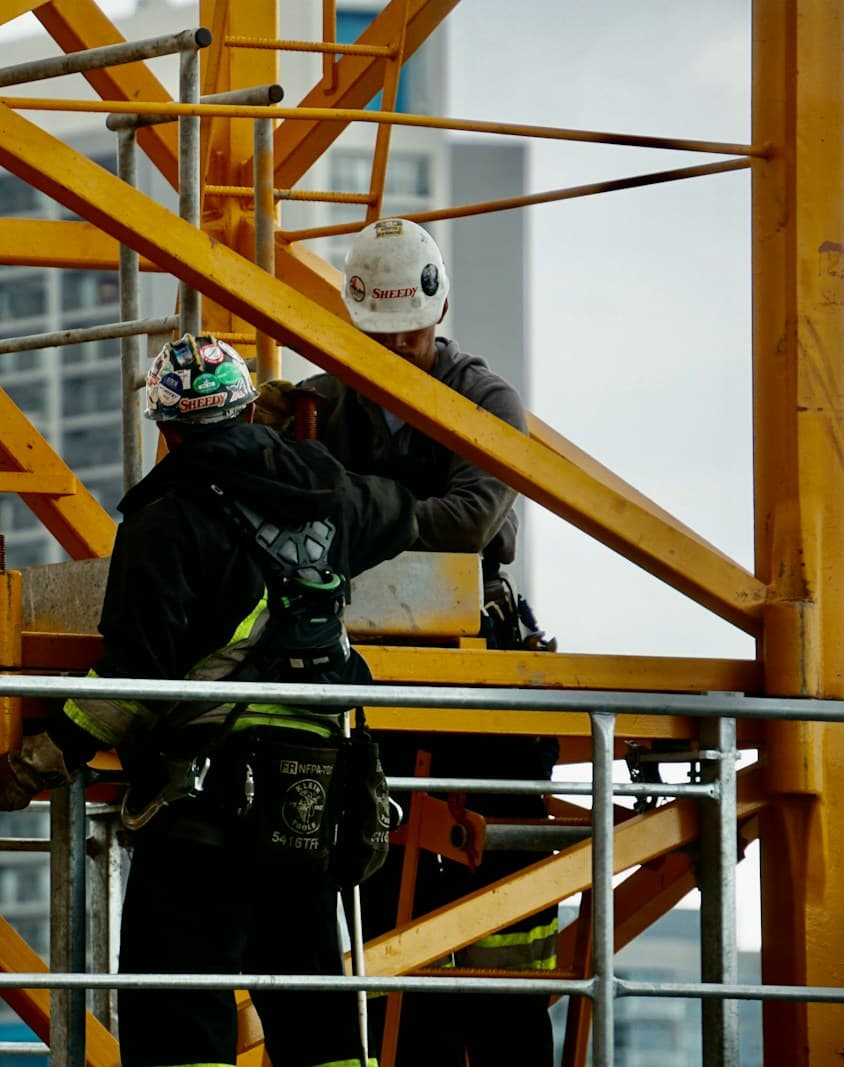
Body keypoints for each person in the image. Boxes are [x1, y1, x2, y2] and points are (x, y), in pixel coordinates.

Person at [0, 334, 417, 1067]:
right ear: (246, 411)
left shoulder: (166, 521)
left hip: (208, 807)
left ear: (167, 430)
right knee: (315, 1010)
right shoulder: (326, 493)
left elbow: (134, 681)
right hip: (313, 797)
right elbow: (402, 511)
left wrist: (34, 765)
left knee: (174, 1007)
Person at [261, 218, 558, 1065]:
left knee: (500, 903)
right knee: (385, 898)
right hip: (369, 676)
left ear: (439, 312)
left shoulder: (485, 400)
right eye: (379, 337)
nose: (395, 350)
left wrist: (350, 518)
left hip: (479, 673)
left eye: (410, 335)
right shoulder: (323, 405)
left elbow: (473, 518)